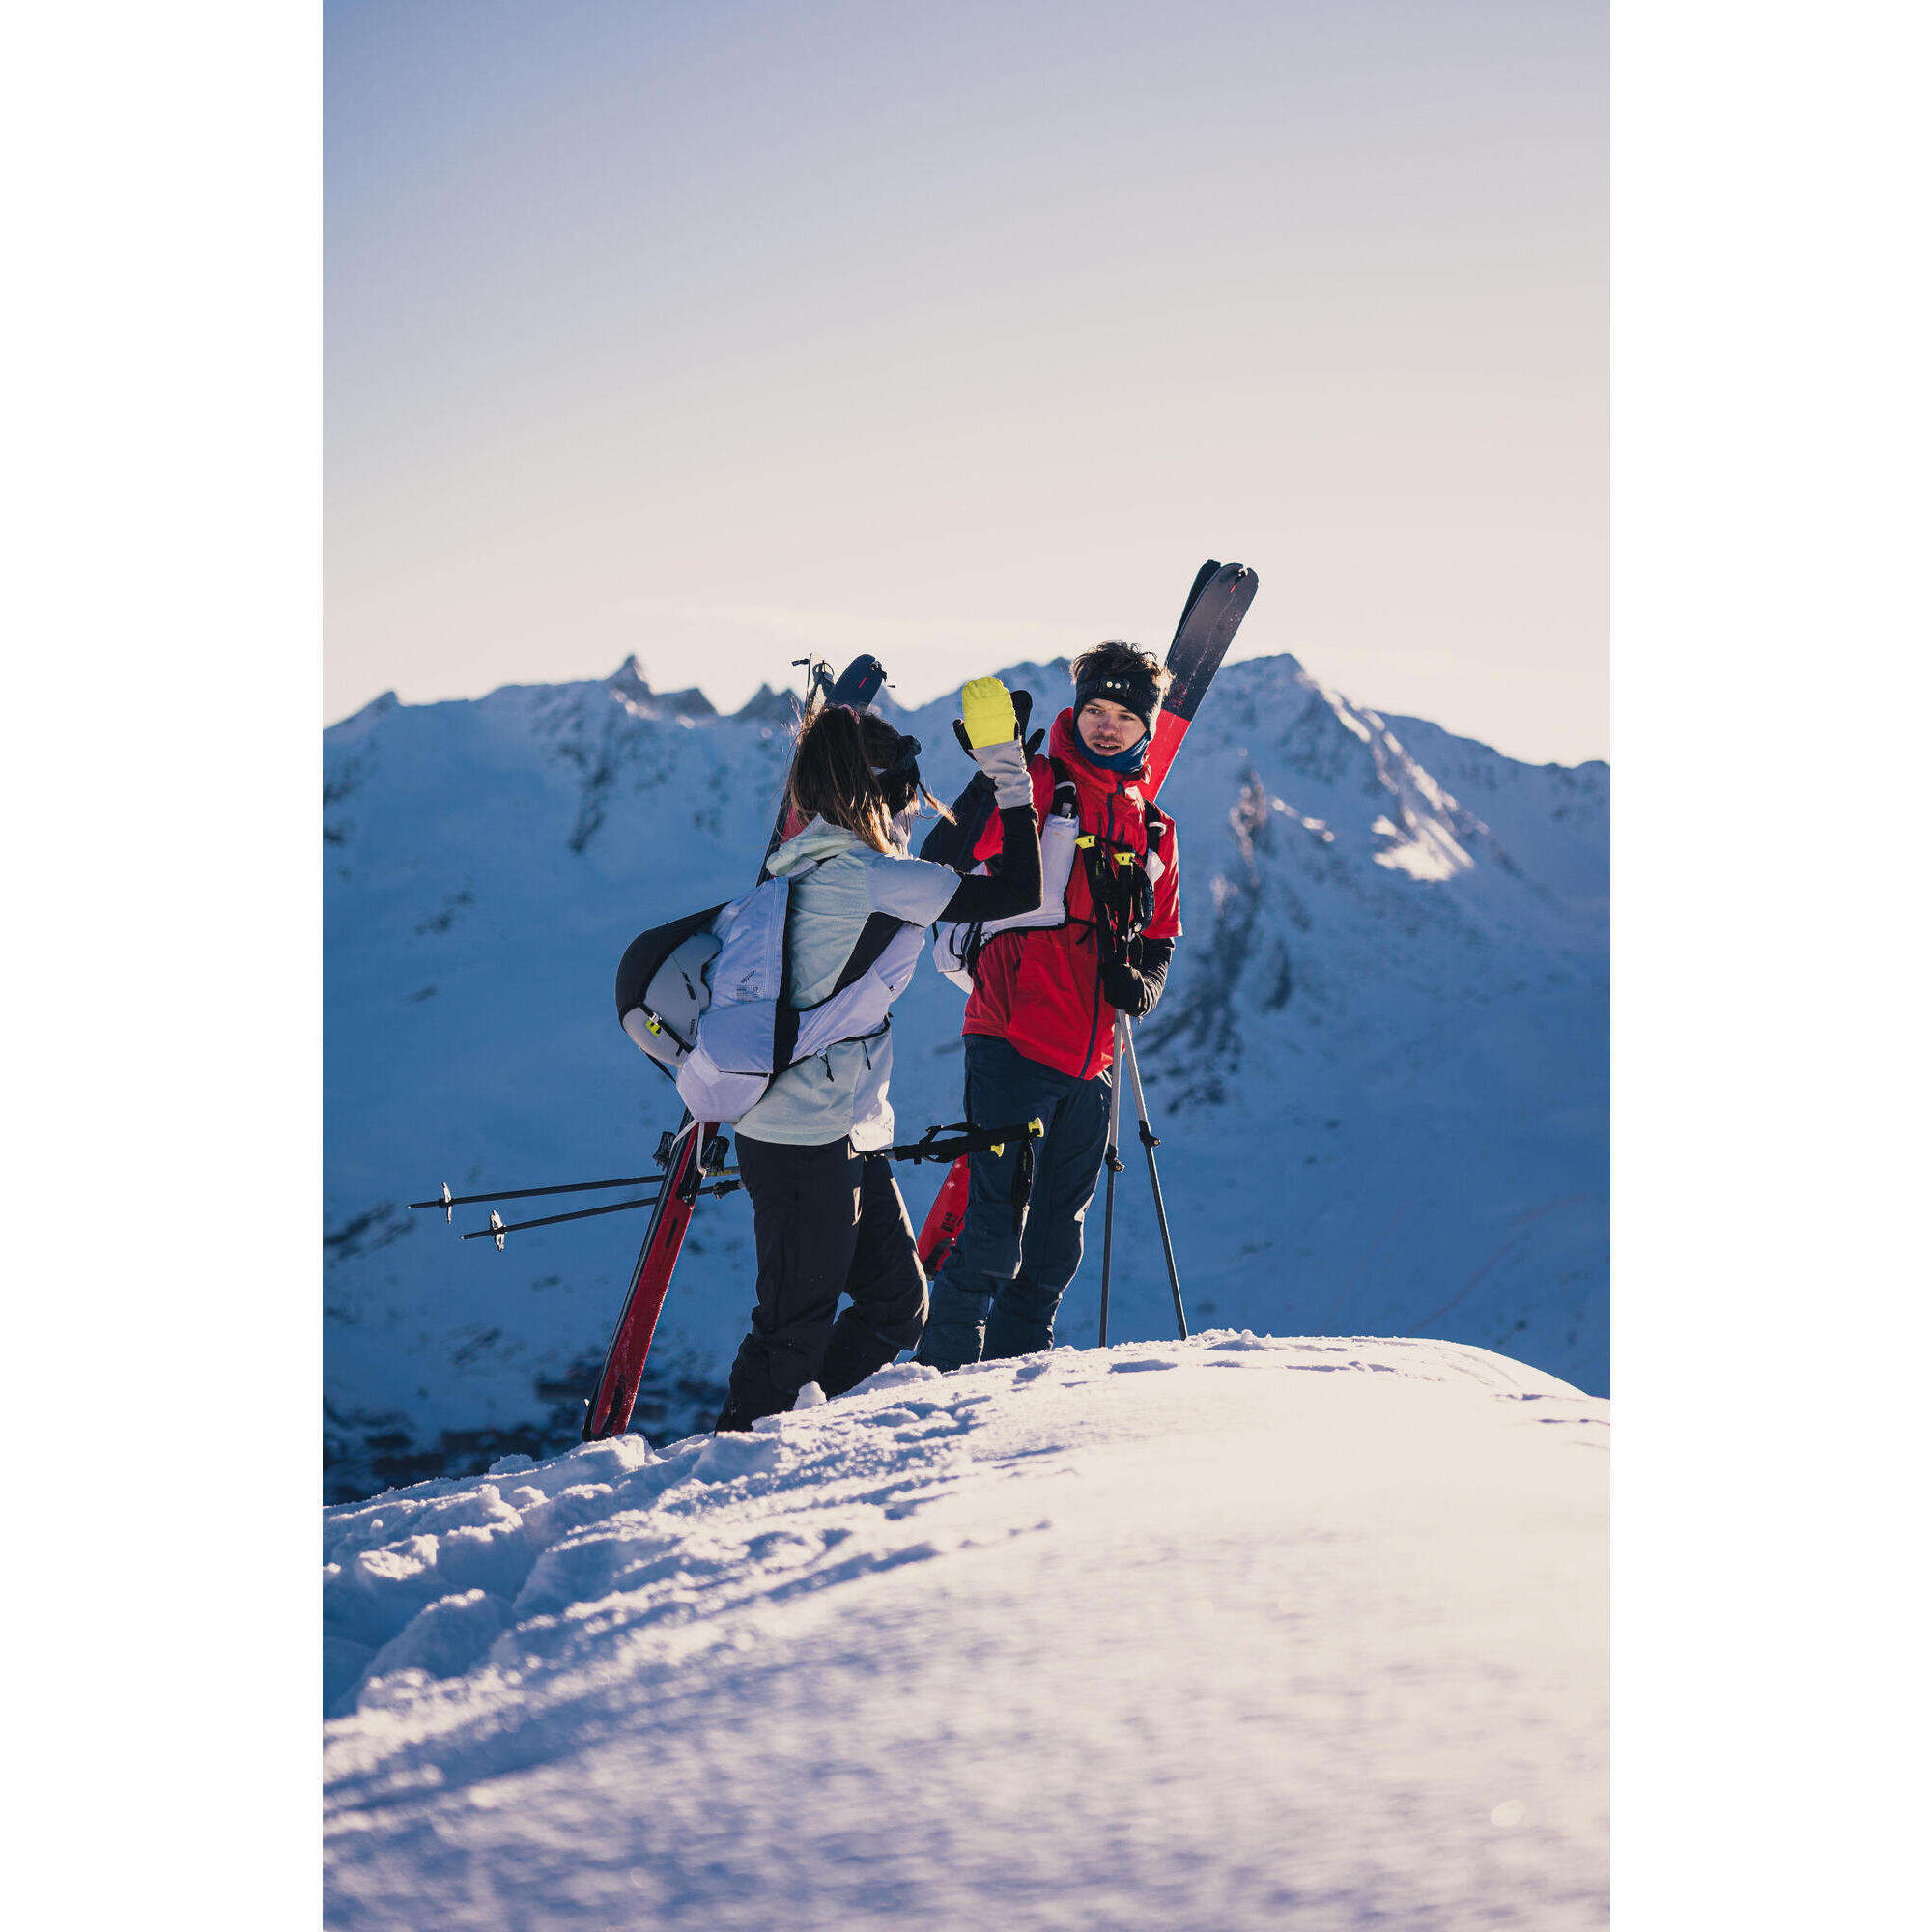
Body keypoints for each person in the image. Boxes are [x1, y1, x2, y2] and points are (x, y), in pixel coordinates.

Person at [715, 679, 1041, 1431]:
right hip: (801, 1141)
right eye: (900, 797)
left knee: (899, 1306)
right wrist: (1007, 776)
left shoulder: (813, 865)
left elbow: (940, 860)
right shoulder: (865, 878)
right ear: (875, 794)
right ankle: (730, 1459)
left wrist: (985, 780)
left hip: (846, 1131)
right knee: (789, 1329)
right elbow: (1018, 889)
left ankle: (792, 1417)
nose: (904, 813)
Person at [917, 642, 1181, 1371]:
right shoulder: (1038, 784)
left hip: (1093, 1060)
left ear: (1147, 727)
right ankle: (940, 1381)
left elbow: (1158, 933)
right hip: (1011, 1036)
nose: (1105, 726)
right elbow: (942, 862)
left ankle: (1015, 1387)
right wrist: (993, 779)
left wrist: (1148, 986)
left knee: (1056, 1242)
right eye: (1095, 708)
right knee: (994, 1226)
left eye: (1125, 716)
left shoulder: (1154, 827)